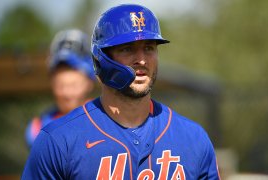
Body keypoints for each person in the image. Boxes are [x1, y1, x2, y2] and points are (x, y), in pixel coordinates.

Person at [22, 4, 220, 179]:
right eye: (127, 49)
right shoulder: (57, 141)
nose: (141, 59)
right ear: (102, 59)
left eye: (149, 48)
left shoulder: (194, 139)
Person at [24, 29, 96, 147]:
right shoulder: (38, 129)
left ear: (89, 83)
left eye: (74, 85)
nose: (67, 93)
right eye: (60, 85)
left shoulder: (106, 119)